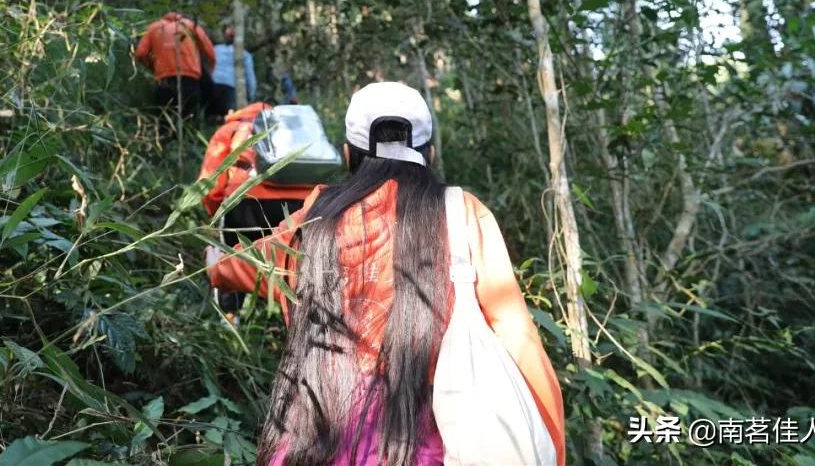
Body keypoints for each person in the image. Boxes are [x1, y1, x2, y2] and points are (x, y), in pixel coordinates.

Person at [205, 82, 566, 466]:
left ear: (348, 154)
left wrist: (211, 263)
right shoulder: (463, 213)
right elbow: (517, 335)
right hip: (428, 443)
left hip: (314, 438)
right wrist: (550, 444)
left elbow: (243, 265)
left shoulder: (315, 218)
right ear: (430, 152)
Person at [199, 101, 314, 314]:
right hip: (299, 204)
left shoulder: (231, 128)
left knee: (232, 262)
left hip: (246, 202)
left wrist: (215, 212)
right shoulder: (293, 129)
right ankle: (285, 319)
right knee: (288, 265)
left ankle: (232, 321)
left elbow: (210, 184)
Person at [134, 12, 216, 127]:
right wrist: (210, 70)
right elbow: (209, 51)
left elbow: (140, 53)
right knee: (188, 121)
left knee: (164, 121)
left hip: (165, 79)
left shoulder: (154, 27)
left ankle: (166, 142)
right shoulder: (190, 26)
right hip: (190, 78)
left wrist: (153, 67)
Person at [209, 27, 256, 119]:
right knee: (230, 118)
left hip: (213, 85)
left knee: (211, 117)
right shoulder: (245, 55)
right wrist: (251, 96)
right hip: (231, 88)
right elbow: (251, 78)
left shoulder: (216, 49)